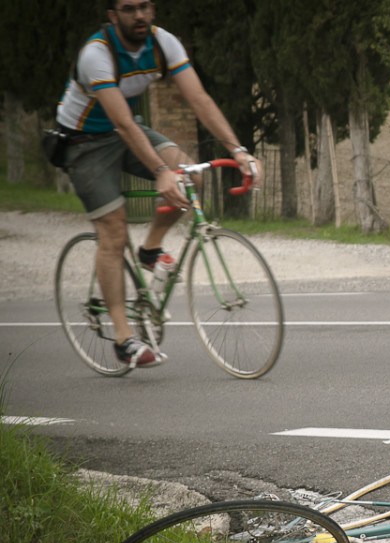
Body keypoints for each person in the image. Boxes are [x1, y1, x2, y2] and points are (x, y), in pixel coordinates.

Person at [55, 0, 262, 368]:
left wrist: (239, 150)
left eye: (146, 6)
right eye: (129, 8)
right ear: (113, 15)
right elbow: (123, 125)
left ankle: (150, 249)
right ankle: (123, 337)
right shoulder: (96, 55)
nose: (140, 15)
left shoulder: (163, 43)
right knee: (114, 231)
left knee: (190, 174)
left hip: (126, 131)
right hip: (84, 142)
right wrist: (158, 171)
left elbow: (198, 98)